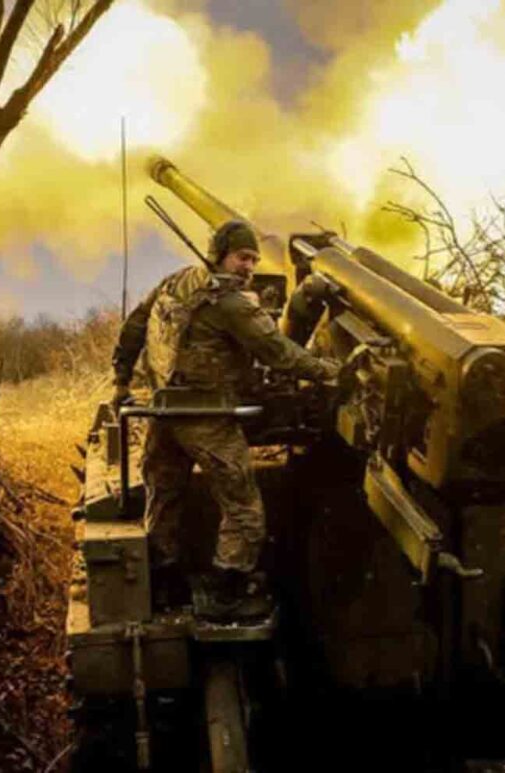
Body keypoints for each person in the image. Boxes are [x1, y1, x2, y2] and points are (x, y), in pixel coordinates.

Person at [111, 220, 337, 620]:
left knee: (164, 495)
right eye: (242, 257)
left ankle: (164, 578)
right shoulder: (233, 303)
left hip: (163, 411)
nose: (248, 267)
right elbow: (278, 352)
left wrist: (121, 378)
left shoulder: (175, 282)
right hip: (208, 417)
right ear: (219, 254)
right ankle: (227, 585)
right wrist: (327, 371)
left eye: (253, 259)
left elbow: (135, 325)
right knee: (244, 508)